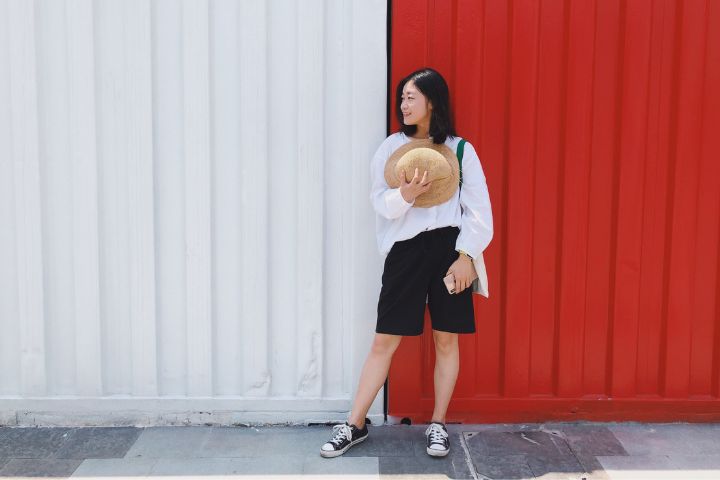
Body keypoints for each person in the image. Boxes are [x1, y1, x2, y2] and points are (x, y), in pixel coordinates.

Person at [319, 67, 493, 458]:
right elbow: (380, 203)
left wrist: (466, 256)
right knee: (384, 339)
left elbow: (480, 212)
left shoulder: (461, 150)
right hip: (406, 253)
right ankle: (355, 423)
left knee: (446, 338)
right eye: (402, 98)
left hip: (451, 252)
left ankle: (437, 424)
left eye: (412, 97)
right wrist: (407, 195)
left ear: (432, 100)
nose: (404, 104)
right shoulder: (391, 149)